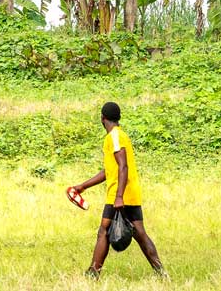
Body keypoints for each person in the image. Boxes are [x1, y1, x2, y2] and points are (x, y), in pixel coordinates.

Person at [67, 101, 166, 279]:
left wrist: (119, 197)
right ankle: (161, 272)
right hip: (130, 193)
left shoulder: (113, 137)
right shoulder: (119, 135)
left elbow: (123, 167)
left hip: (119, 194)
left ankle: (93, 272)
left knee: (103, 231)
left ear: (102, 118)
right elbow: (109, 170)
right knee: (140, 233)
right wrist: (83, 186)